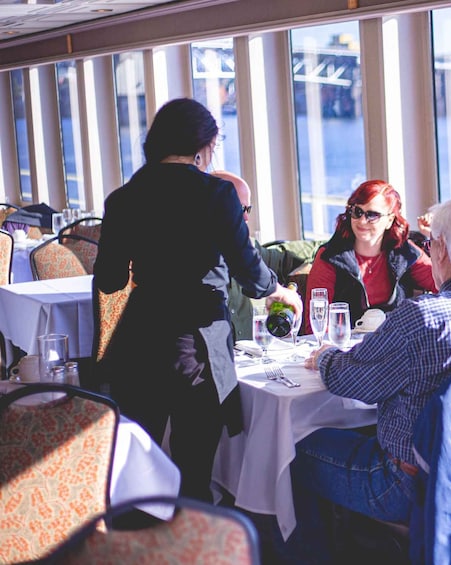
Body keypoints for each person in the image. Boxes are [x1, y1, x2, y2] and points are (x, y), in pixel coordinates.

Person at [290, 195, 451, 563]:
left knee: (296, 450)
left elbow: (352, 381)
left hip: (411, 483)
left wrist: (327, 357)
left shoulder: (424, 317)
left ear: (439, 250)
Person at [93, 98, 301, 502]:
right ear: (203, 146)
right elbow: (248, 270)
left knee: (140, 463)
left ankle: (138, 548)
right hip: (198, 343)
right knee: (193, 467)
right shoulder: (216, 194)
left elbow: (109, 280)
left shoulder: (123, 198)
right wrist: (277, 289)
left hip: (139, 338)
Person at [304, 179, 436, 333]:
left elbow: (446, 284)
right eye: (357, 212)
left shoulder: (406, 253)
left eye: (372, 215)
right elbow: (316, 324)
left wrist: (434, 236)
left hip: (394, 344)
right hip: (346, 347)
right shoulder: (330, 257)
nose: (362, 221)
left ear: (389, 220)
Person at [211, 170, 313, 341]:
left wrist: (334, 245)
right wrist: (276, 291)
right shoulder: (194, 255)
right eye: (238, 208)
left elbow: (285, 257)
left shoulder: (248, 246)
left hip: (248, 358)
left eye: (248, 209)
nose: (245, 217)